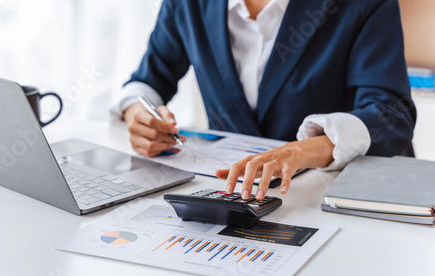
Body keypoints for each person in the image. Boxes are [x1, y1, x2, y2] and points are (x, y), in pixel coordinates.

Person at [110, 0, 416, 201]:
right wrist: (138, 113)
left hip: (331, 198)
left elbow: (390, 113)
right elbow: (147, 81)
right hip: (230, 196)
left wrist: (307, 150)